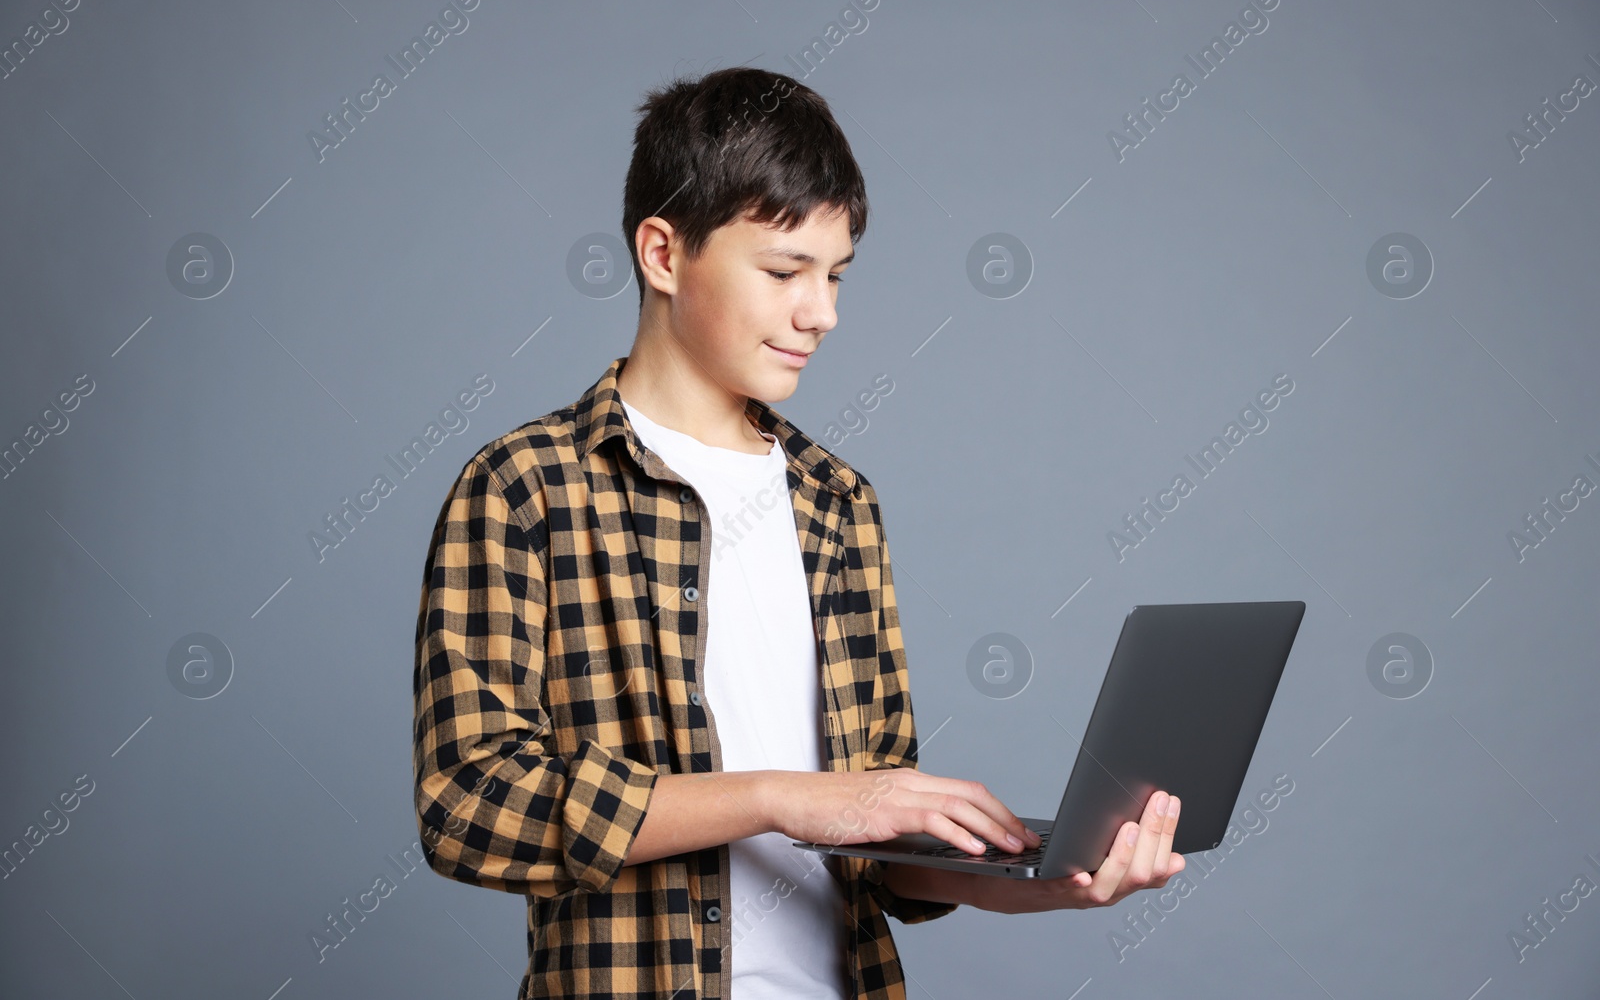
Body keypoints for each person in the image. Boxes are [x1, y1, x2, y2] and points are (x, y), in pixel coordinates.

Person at [412, 65, 1184, 1000]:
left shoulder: (839, 503)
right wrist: (783, 796)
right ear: (663, 254)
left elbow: (880, 857)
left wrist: (1048, 879)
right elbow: (468, 807)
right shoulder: (524, 488)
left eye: (835, 275)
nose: (820, 312)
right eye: (784, 272)